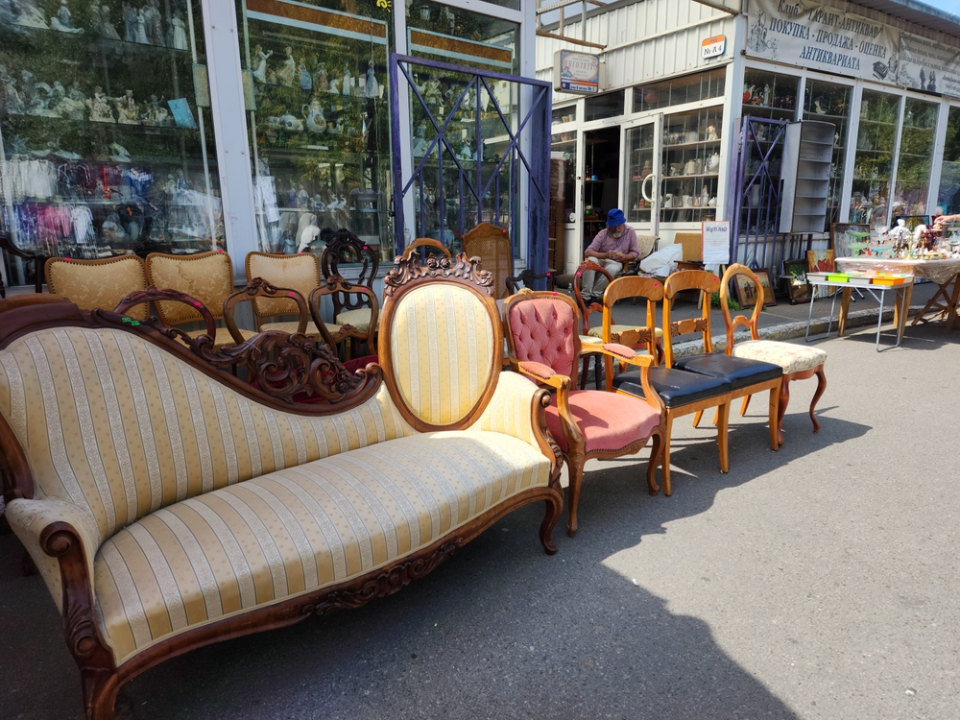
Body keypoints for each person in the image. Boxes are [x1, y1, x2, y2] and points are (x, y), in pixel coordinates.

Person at [581, 208, 639, 303]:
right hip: (601, 258)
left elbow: (635, 253)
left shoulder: (630, 231)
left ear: (623, 223)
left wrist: (624, 257)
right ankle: (585, 297)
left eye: (619, 225)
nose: (617, 228)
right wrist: (606, 255)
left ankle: (594, 295)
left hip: (616, 262)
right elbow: (588, 252)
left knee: (612, 269)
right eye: (614, 226)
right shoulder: (603, 233)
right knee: (590, 261)